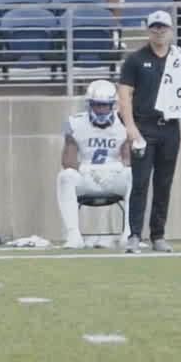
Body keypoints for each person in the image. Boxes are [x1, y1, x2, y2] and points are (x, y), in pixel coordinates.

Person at [116, 10, 181, 253]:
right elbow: (124, 95)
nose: (159, 31)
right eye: (155, 27)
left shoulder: (180, 60)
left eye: (163, 27)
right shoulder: (135, 60)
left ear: (170, 30)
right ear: (148, 30)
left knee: (164, 183)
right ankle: (134, 234)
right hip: (144, 127)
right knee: (140, 182)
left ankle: (158, 234)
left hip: (170, 127)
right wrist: (130, 126)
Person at [55, 80, 132, 249]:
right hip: (86, 176)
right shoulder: (75, 123)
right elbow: (68, 162)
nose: (101, 109)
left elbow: (128, 161)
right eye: (97, 105)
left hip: (113, 177)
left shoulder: (124, 123)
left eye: (104, 105)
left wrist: (113, 169)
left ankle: (129, 234)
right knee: (65, 176)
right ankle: (73, 235)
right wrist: (87, 170)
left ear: (112, 105)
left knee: (133, 175)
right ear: (89, 104)